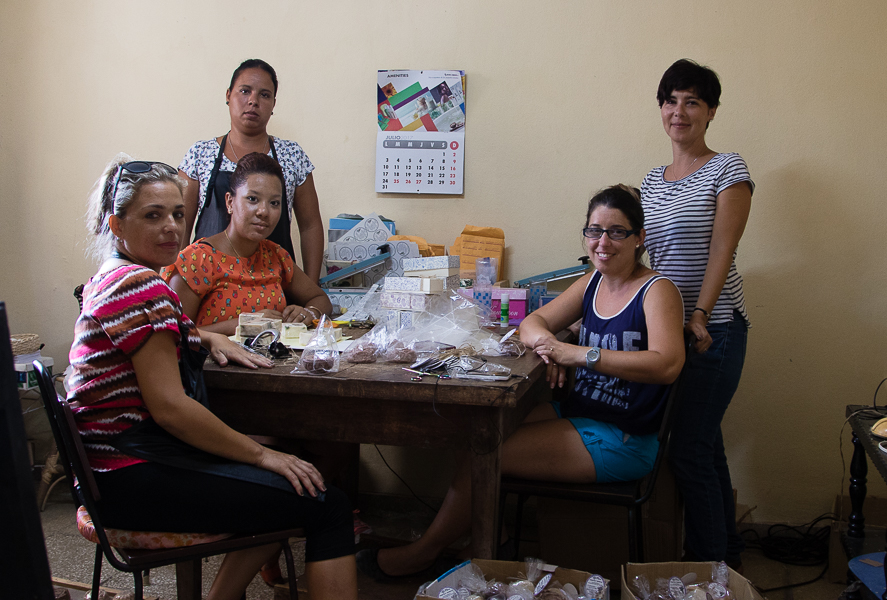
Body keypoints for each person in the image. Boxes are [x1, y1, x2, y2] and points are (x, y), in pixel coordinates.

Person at [357, 184, 685, 581]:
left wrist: (579, 355)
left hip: (624, 436)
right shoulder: (592, 283)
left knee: (486, 452)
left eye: (617, 232)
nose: (603, 242)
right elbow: (532, 323)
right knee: (474, 434)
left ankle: (424, 553)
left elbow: (667, 364)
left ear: (639, 239)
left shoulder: (657, 290)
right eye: (594, 230)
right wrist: (549, 347)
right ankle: (488, 538)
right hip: (581, 414)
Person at [69, 155, 357, 600]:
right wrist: (263, 457)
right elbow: (170, 409)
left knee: (295, 481)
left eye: (177, 214)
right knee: (327, 503)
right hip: (133, 475)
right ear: (117, 225)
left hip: (109, 469)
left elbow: (159, 348)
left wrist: (203, 338)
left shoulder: (111, 277)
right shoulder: (140, 287)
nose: (171, 227)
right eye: (153, 215)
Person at [640, 58, 754, 569]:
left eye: (692, 102)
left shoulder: (728, 169)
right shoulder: (651, 179)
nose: (679, 111)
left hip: (715, 330)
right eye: (671, 101)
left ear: (711, 112)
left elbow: (721, 251)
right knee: (706, 450)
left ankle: (706, 569)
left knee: (687, 452)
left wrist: (700, 316)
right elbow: (649, 259)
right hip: (670, 331)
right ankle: (726, 558)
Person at [180, 58, 324, 282]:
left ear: (274, 104)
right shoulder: (200, 154)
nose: (253, 101)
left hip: (274, 284)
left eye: (264, 95)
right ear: (228, 95)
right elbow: (181, 222)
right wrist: (175, 281)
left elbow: (310, 226)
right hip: (209, 284)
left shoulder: (292, 155)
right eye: (245, 91)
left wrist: (311, 288)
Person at [165, 152, 331, 335]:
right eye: (252, 199)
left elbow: (320, 298)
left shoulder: (275, 256)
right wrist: (245, 324)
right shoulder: (196, 260)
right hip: (211, 364)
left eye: (274, 203)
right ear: (230, 202)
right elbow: (175, 335)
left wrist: (308, 312)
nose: (263, 211)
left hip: (275, 362)